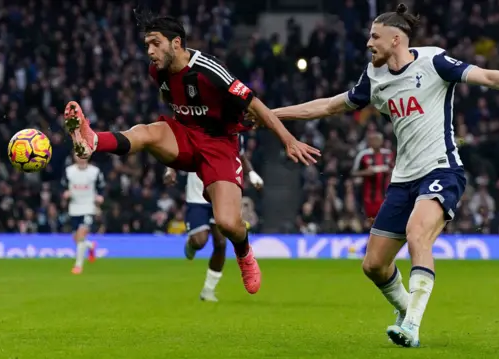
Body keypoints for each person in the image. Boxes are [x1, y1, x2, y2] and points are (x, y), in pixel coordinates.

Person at [266, 3, 499, 347]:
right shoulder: (374, 77)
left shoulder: (434, 62)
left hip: (442, 169)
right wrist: (270, 114)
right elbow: (328, 105)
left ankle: (412, 326)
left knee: (418, 233)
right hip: (403, 180)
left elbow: (486, 75)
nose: (369, 43)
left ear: (396, 39)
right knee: (373, 265)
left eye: (375, 37)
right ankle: (405, 311)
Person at [62, 10, 319, 295]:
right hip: (184, 135)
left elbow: (256, 104)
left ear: (176, 43)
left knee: (227, 223)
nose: (149, 51)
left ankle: (245, 253)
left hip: (220, 144)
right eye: (147, 44)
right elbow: (172, 100)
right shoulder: (156, 71)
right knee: (147, 131)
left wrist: (287, 140)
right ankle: (92, 140)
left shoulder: (209, 70)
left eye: (155, 43)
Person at [163, 134, 264, 302]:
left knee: (221, 243)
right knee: (199, 241)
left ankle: (208, 290)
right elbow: (174, 149)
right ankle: (192, 244)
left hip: (223, 192)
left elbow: (240, 155)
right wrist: (170, 169)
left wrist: (252, 173)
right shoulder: (195, 126)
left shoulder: (233, 132)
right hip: (197, 196)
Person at [61, 155, 105, 274]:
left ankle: (78, 266)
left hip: (89, 207)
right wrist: (65, 194)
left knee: (81, 235)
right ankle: (90, 246)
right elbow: (62, 186)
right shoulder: (69, 171)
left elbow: (102, 187)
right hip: (74, 208)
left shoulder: (94, 171)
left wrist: (100, 197)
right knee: (76, 238)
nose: (80, 157)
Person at [352, 132, 394, 225]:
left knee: (385, 221)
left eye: (378, 139)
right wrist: (365, 172)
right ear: (370, 142)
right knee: (371, 221)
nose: (376, 142)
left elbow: (395, 168)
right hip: (369, 196)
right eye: (374, 140)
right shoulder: (363, 155)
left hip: (386, 195)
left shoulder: (388, 154)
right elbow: (353, 173)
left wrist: (390, 171)